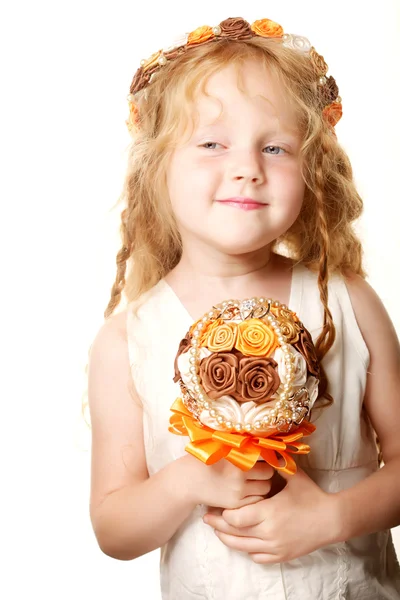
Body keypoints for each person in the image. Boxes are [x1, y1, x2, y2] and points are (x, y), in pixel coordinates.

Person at [86, 16, 400, 599]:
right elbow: (113, 527)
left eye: (275, 147)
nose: (247, 168)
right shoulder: (129, 340)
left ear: (309, 169)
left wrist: (331, 519)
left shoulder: (349, 304)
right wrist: (188, 479)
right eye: (211, 143)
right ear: (157, 166)